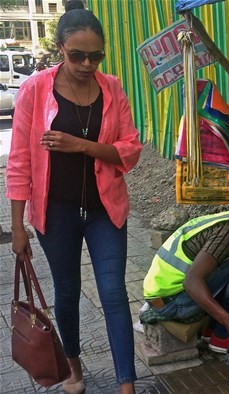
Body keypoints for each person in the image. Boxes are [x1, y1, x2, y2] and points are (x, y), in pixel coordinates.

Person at [6, 1, 142, 393]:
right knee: (66, 291)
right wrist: (17, 229)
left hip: (105, 209)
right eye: (78, 55)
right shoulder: (35, 90)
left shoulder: (112, 89)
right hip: (56, 212)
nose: (87, 64)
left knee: (114, 291)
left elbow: (129, 149)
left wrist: (80, 145)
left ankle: (127, 384)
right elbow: (18, 163)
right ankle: (74, 368)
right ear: (61, 49)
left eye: (95, 56)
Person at [141, 185, 229, 354]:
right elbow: (192, 281)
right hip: (173, 304)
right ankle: (222, 336)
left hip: (161, 300)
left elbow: (208, 272)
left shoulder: (223, 221)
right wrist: (227, 320)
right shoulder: (228, 231)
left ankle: (210, 329)